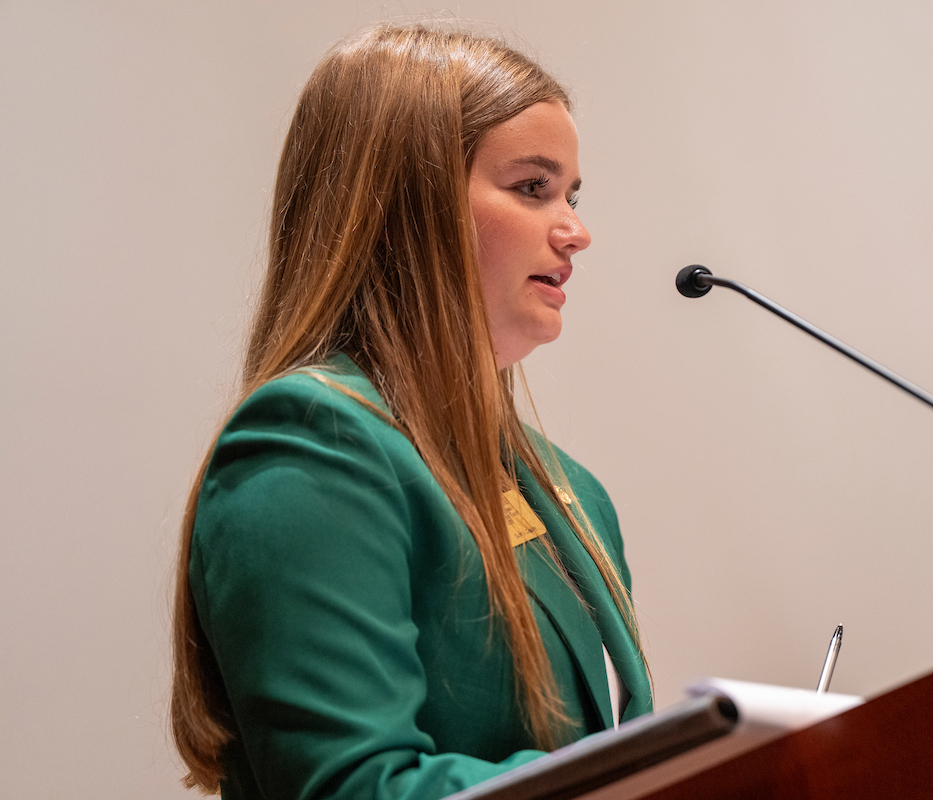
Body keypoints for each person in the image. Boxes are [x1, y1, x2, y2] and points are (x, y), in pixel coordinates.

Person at [170, 24, 652, 800]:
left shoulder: (575, 490)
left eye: (571, 194)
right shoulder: (311, 445)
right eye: (533, 188)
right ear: (408, 203)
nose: (576, 232)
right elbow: (354, 788)